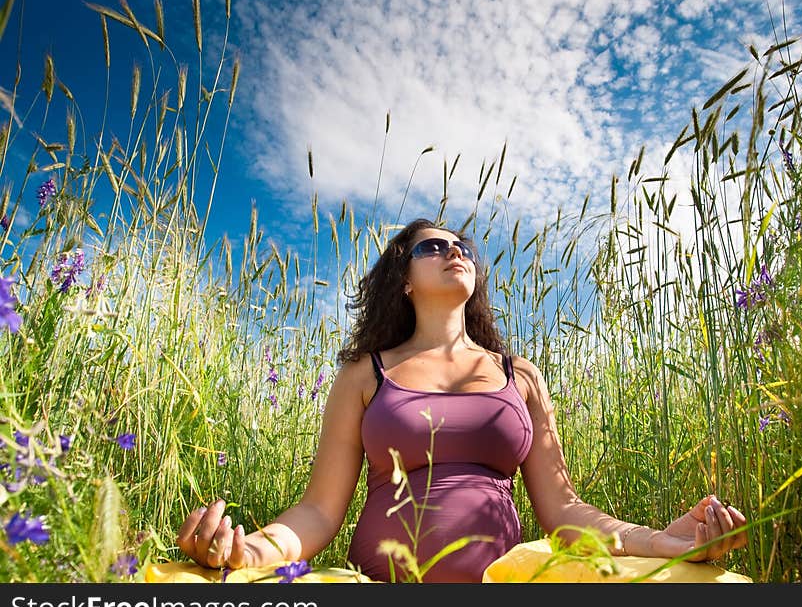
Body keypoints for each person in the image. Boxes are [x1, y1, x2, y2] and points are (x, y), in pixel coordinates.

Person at [176, 217, 749, 582]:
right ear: (403, 279)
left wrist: (664, 541)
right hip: (381, 589)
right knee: (183, 591)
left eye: (463, 246)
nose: (454, 251)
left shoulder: (518, 376)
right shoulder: (364, 376)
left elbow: (565, 511)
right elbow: (320, 512)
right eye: (433, 245)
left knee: (703, 585)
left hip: (505, 585)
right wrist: (249, 552)